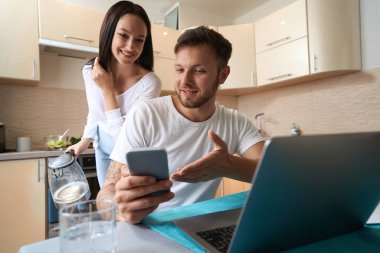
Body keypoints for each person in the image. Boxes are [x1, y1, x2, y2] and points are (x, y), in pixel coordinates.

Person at [97, 26, 265, 224]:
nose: (185, 81)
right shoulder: (147, 114)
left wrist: (228, 166)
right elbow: (105, 194)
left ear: (223, 75)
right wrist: (118, 210)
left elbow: (275, 173)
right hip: (149, 228)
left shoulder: (235, 122)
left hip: (199, 228)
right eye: (179, 70)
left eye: (199, 71)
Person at [66, 1, 161, 187]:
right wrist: (85, 142)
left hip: (129, 153)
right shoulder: (90, 70)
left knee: (125, 209)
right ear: (109, 32)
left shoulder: (149, 83)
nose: (130, 46)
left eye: (139, 40)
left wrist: (108, 90)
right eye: (123, 35)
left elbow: (127, 142)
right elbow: (95, 112)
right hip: (102, 146)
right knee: (106, 203)